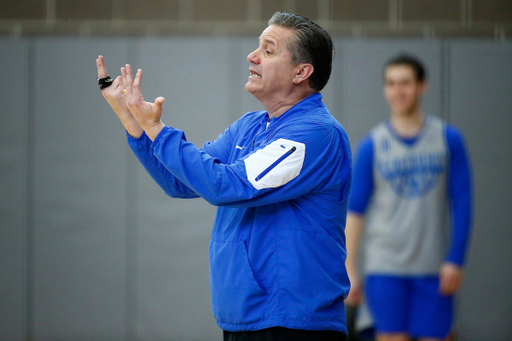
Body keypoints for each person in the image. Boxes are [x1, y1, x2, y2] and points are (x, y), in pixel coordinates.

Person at [96, 12, 351, 341]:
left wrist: (157, 128)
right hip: (243, 318)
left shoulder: (316, 133)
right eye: (257, 46)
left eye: (269, 50)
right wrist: (133, 121)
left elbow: (226, 185)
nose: (252, 56)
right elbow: (180, 181)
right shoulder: (249, 125)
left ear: (302, 72)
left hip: (293, 322)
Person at [345, 53, 472, 341]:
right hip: (384, 268)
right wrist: (349, 267)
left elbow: (462, 203)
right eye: (391, 84)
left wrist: (456, 259)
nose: (397, 91)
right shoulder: (372, 145)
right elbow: (355, 211)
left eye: (405, 83)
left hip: (432, 268)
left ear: (421, 86)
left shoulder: (448, 139)